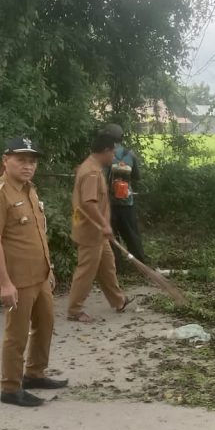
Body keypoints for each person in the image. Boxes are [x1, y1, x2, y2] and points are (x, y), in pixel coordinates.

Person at [0, 137, 68, 408]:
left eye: (32, 161)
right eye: (21, 160)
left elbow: (39, 233)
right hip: (17, 279)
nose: (28, 166)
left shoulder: (30, 190)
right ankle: (10, 388)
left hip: (39, 275)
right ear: (6, 160)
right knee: (16, 334)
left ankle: (34, 373)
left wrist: (49, 268)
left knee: (46, 324)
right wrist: (5, 283)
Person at [68, 132, 133, 322]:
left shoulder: (91, 167)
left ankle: (118, 300)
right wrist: (105, 225)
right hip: (91, 231)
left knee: (107, 265)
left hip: (97, 232)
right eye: (113, 153)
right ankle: (74, 310)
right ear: (105, 151)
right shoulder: (91, 172)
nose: (114, 157)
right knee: (86, 271)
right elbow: (89, 203)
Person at [101, 123, 149, 268]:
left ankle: (117, 265)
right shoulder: (130, 154)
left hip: (109, 203)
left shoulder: (106, 155)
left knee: (112, 236)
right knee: (132, 234)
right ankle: (140, 264)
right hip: (127, 202)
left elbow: (101, 178)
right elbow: (137, 177)